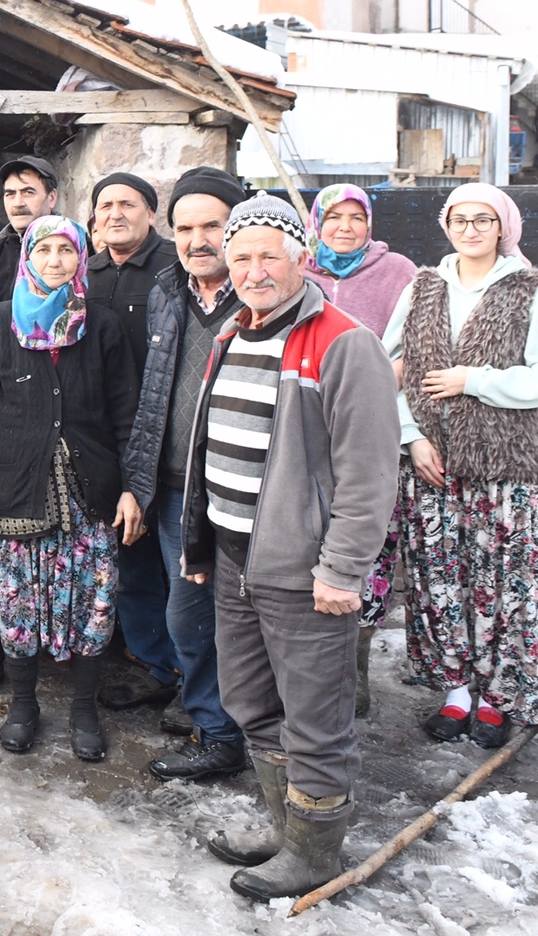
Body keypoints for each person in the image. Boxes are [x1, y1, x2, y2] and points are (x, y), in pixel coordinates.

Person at [181, 194, 400, 900]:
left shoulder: (343, 342)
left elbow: (370, 473)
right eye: (241, 256)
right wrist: (202, 542)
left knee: (316, 720)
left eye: (269, 255)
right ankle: (286, 828)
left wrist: (342, 569)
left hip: (305, 572)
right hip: (237, 561)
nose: (254, 269)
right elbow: (210, 449)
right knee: (252, 704)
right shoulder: (231, 335)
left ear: (301, 257)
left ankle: (314, 852)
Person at [383, 183, 538, 750]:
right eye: (459, 219)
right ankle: (456, 690)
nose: (470, 230)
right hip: (431, 463)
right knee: (440, 580)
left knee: (502, 583)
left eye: (482, 220)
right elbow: (390, 367)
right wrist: (412, 438)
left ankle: (497, 698)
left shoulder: (531, 291)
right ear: (447, 226)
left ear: (502, 226)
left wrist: (475, 381)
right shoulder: (422, 288)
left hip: (503, 468)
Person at [0, 216, 140, 763]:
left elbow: (127, 415)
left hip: (92, 493)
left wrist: (133, 489)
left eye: (68, 250)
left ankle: (84, 709)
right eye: (46, 250)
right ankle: (23, 705)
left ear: (81, 258)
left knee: (94, 602)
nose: (56, 260)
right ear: (28, 258)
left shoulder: (102, 325)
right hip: (17, 487)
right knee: (18, 601)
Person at [123, 166, 250, 781]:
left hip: (248, 490)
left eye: (213, 226)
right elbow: (155, 393)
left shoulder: (265, 298)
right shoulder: (168, 292)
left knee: (247, 615)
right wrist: (138, 481)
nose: (198, 240)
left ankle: (250, 727)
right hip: (177, 489)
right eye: (185, 228)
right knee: (189, 612)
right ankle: (216, 728)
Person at [301, 183, 418, 718]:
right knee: (306, 542)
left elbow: (417, 345)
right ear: (317, 222)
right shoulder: (300, 269)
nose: (345, 227)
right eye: (334, 218)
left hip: (373, 422)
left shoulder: (399, 273)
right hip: (305, 428)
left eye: (356, 218)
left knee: (368, 549)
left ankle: (356, 669)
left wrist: (372, 382)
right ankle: (309, 667)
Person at [82, 170, 183, 716]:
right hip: (102, 439)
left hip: (165, 438)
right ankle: (153, 664)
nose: (115, 214)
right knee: (130, 558)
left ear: (151, 212)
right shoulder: (84, 272)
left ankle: (194, 676)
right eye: (105, 206)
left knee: (179, 563)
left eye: (128, 204)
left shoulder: (173, 268)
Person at [0, 155, 60, 303]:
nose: (18, 203)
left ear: (52, 198)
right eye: (10, 194)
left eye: (28, 192)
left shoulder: (77, 249)